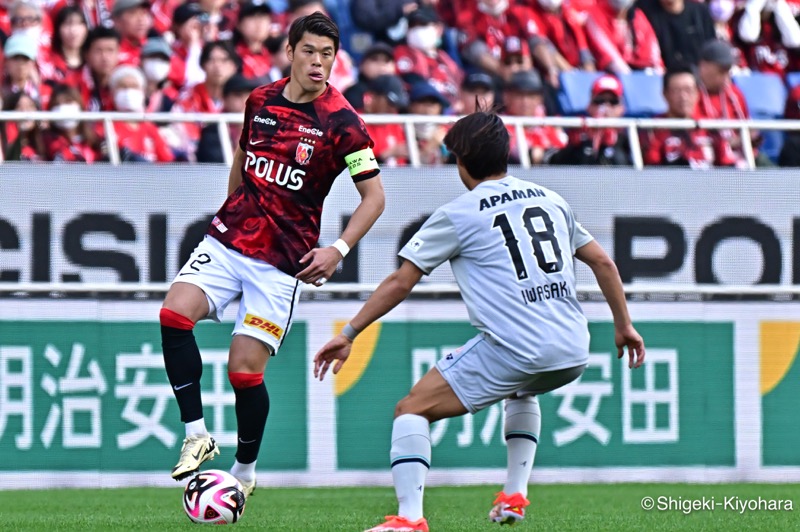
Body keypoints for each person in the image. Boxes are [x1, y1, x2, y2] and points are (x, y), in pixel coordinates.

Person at [313, 109, 645, 532]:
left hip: (519, 348)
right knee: (523, 390)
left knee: (411, 410)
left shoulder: (459, 212)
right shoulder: (550, 199)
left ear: (462, 162)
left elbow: (400, 282)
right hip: (574, 348)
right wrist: (624, 325)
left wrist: (349, 332)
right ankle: (513, 495)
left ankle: (410, 520)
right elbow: (602, 261)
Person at [160, 11, 385, 499]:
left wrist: (339, 249)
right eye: (309, 51)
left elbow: (376, 198)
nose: (318, 62)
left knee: (243, 369)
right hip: (229, 240)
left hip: (282, 263)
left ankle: (244, 468)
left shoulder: (343, 123)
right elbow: (243, 159)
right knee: (174, 314)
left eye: (327, 54)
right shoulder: (259, 101)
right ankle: (196, 435)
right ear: (290, 51)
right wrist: (231, 210)